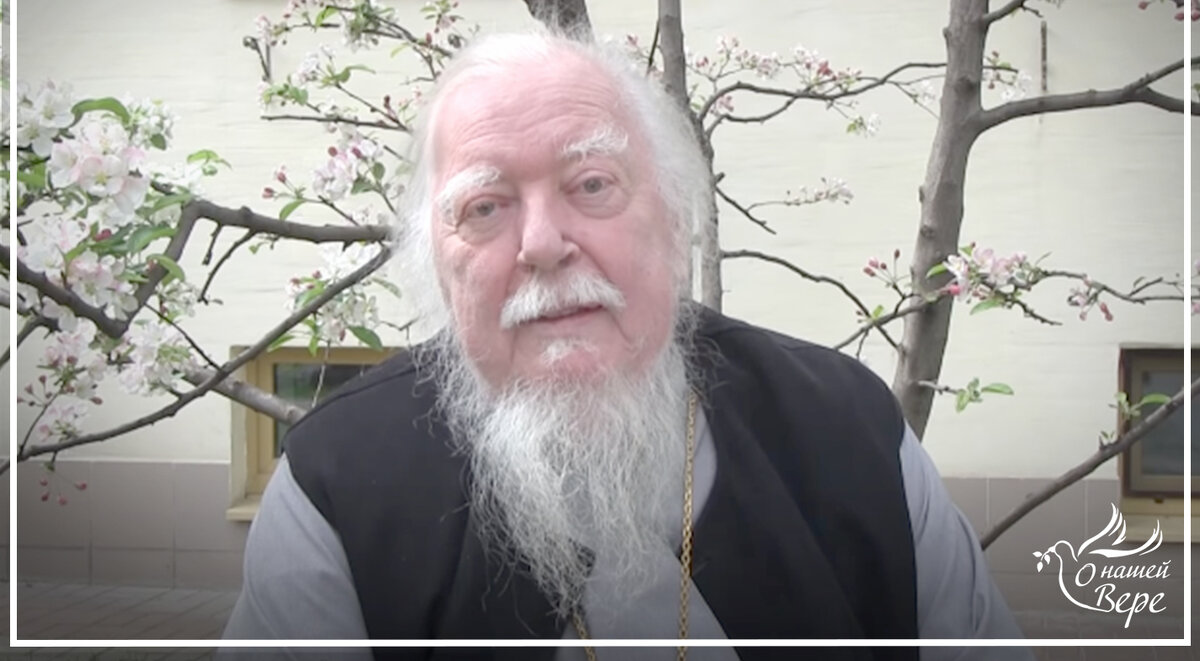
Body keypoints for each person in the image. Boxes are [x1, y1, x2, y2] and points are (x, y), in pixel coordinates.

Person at [221, 27, 1035, 661]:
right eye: (485, 207)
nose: (543, 243)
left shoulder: (851, 432)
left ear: (677, 221)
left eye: (592, 184)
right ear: (437, 263)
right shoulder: (335, 486)